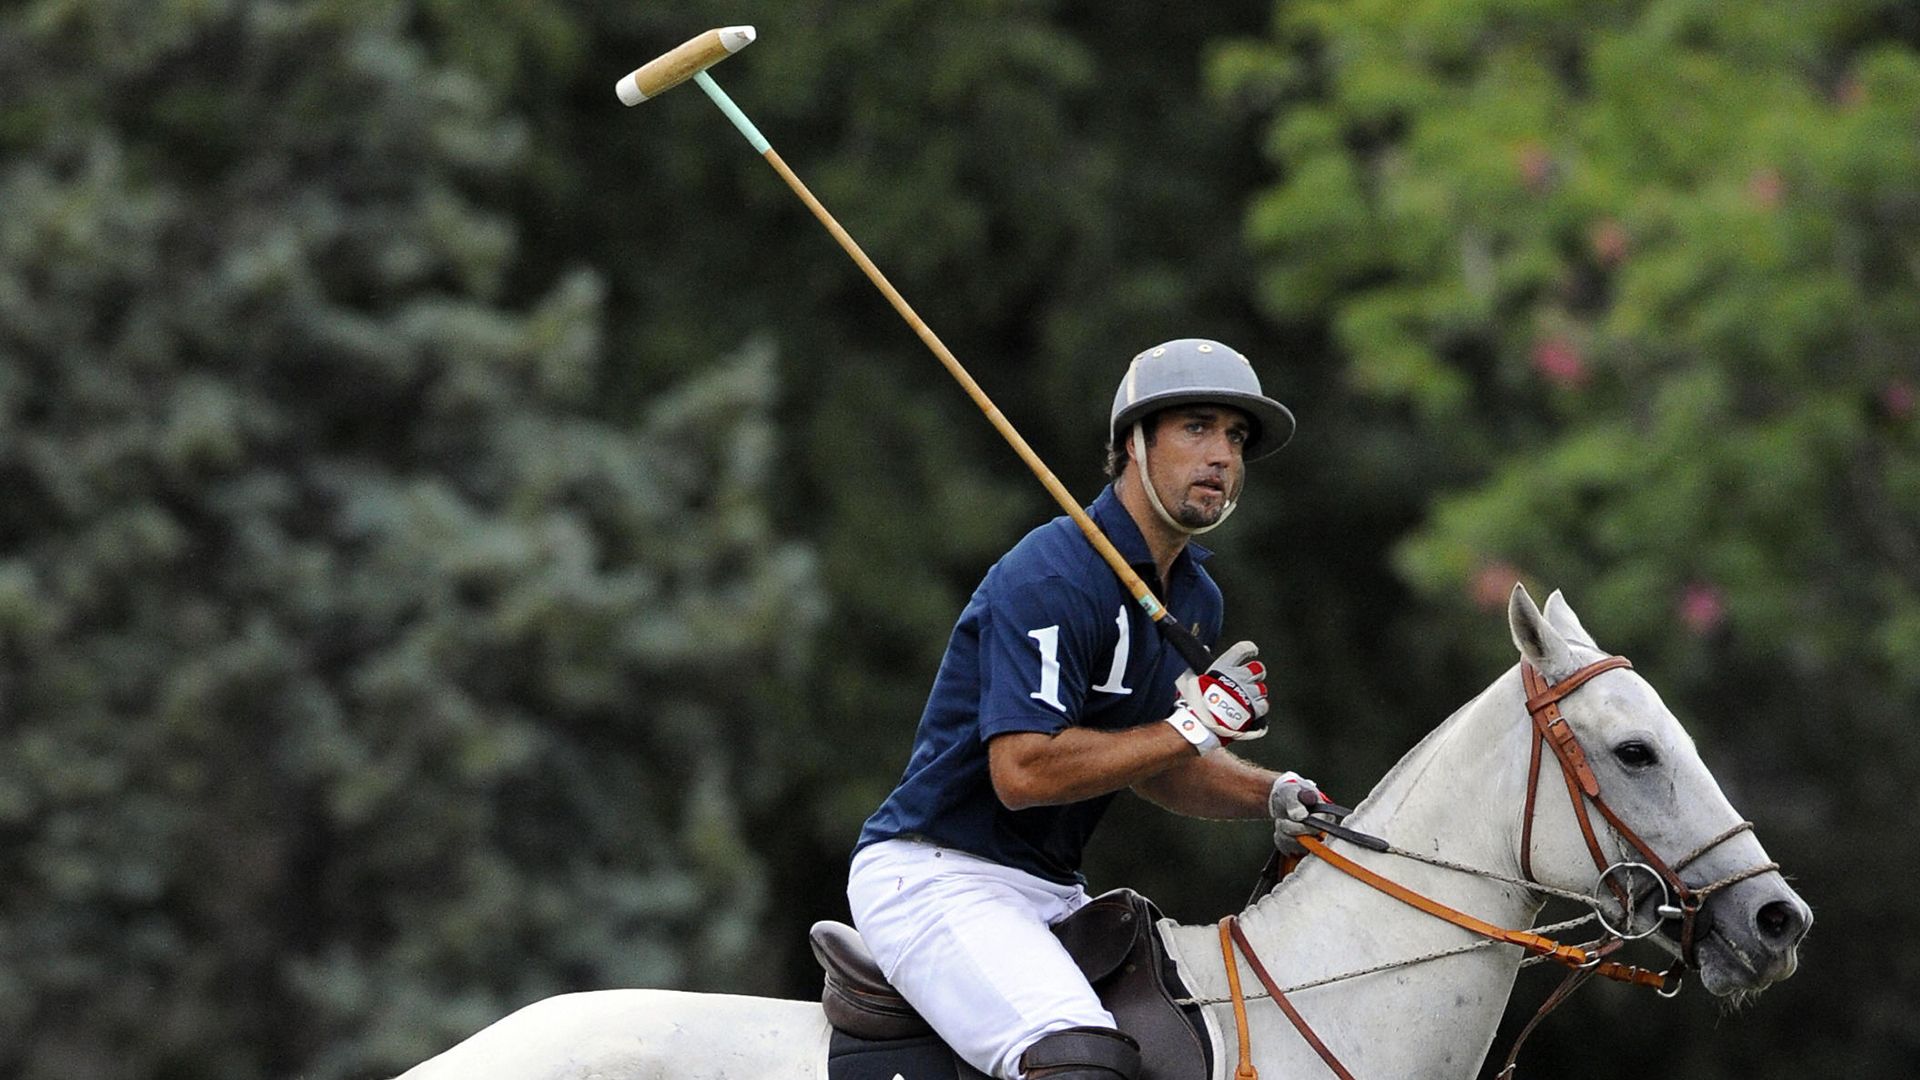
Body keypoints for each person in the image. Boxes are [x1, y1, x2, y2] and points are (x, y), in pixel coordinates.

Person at [847, 339, 1328, 1080]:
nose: (1223, 456)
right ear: (1134, 443)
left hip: (1049, 890)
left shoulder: (1194, 596)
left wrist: (1274, 794)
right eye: (1197, 428)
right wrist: (1192, 725)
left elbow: (1159, 766)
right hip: (937, 873)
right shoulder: (1052, 576)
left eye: (1235, 437)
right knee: (1079, 1063)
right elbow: (1023, 771)